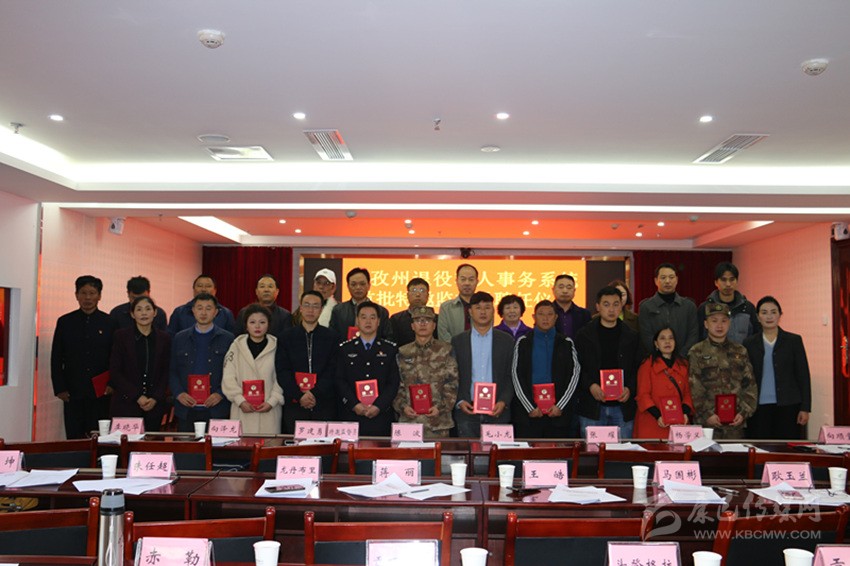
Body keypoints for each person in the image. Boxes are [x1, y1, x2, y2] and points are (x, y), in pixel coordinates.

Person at [51, 275, 117, 438]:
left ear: (99, 296)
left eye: (92, 293)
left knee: (99, 437)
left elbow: (115, 358)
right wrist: (60, 388)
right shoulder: (65, 322)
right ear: (76, 295)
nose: (88, 298)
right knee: (74, 435)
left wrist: (112, 384)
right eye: (83, 293)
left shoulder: (110, 322)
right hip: (73, 391)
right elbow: (56, 357)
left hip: (101, 392)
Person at [575, 286, 643, 438]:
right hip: (592, 406)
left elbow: (638, 367)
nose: (611, 309)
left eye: (615, 304)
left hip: (622, 407)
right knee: (592, 450)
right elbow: (576, 367)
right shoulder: (584, 335)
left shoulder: (632, 336)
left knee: (622, 451)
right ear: (598, 307)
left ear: (622, 306)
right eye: (606, 304)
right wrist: (590, 385)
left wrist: (630, 388)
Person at [744, 296, 811, 439]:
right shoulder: (749, 343)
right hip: (757, 407)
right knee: (760, 447)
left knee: (786, 447)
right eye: (764, 312)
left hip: (788, 406)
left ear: (780, 315)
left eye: (773, 312)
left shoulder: (793, 341)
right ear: (758, 317)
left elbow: (803, 375)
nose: (769, 316)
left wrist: (805, 408)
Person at [510, 300, 581, 438]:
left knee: (558, 451)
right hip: (529, 415)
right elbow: (516, 375)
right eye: (541, 314)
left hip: (558, 415)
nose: (545, 318)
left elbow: (574, 375)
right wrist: (529, 407)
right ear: (534, 317)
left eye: (549, 314)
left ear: (556, 317)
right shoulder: (523, 341)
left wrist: (560, 406)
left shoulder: (566, 343)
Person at [688, 303, 758, 440]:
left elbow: (750, 385)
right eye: (714, 321)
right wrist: (707, 414)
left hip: (735, 424)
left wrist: (743, 413)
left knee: (734, 454)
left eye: (724, 321)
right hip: (707, 424)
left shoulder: (740, 351)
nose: (719, 325)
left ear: (729, 323)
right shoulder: (697, 351)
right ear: (706, 324)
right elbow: (694, 387)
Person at [451, 291, 515, 437]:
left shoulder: (506, 340)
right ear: (470, 312)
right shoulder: (458, 341)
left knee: (496, 451)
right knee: (468, 451)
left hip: (497, 410)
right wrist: (460, 400)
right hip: (467, 409)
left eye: (487, 307)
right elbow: (452, 376)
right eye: (478, 308)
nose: (483, 312)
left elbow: (511, 375)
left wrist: (503, 401)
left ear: (493, 311)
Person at [170, 293, 235, 432]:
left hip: (217, 408)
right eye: (199, 308)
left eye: (208, 308)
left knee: (215, 445)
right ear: (193, 310)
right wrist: (179, 393)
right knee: (186, 445)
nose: (203, 313)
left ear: (216, 312)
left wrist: (220, 394)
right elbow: (172, 370)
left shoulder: (228, 339)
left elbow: (233, 373)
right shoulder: (180, 338)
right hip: (186, 408)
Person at [277, 291, 340, 433]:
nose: (311, 310)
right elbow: (282, 370)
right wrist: (300, 396)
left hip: (323, 403)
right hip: (295, 404)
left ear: (321, 309)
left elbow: (333, 369)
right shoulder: (286, 337)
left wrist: (314, 393)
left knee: (323, 444)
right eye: (307, 305)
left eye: (315, 306)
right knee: (295, 445)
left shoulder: (332, 337)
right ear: (300, 308)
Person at [335, 301, 400, 436]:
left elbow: (393, 382)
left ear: (378, 322)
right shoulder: (345, 349)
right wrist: (354, 404)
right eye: (363, 317)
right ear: (357, 321)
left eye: (372, 317)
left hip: (381, 416)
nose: (368, 321)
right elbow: (340, 380)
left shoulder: (390, 349)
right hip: (352, 415)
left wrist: (379, 406)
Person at [393, 306, 459, 438]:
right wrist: (402, 406)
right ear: (412, 326)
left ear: (434, 325)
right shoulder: (403, 352)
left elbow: (452, 383)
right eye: (418, 320)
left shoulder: (445, 350)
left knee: (438, 452)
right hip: (409, 420)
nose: (423, 324)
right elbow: (396, 383)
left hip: (438, 422)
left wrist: (441, 407)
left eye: (427, 320)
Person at [108, 296, 171, 432]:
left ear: (155, 312)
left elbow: (166, 371)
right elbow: (115, 371)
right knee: (126, 443)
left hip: (154, 404)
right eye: (139, 309)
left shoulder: (164, 338)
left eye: (148, 309)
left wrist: (155, 397)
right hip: (126, 403)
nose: (143, 313)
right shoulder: (121, 336)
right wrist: (137, 396)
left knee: (151, 442)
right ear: (132, 314)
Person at [222, 304, 284, 434]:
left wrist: (272, 401)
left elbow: (282, 376)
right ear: (246, 325)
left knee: (269, 445)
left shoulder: (278, 346)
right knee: (243, 444)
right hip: (242, 409)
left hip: (269, 409)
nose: (257, 326)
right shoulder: (236, 346)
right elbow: (228, 377)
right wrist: (240, 400)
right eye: (252, 322)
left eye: (262, 322)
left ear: (268, 324)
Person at [634, 327, 694, 439]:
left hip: (678, 423)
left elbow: (688, 393)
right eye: (662, 338)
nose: (667, 342)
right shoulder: (647, 364)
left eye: (671, 338)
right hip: (652, 422)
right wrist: (658, 415)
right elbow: (643, 395)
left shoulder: (683, 365)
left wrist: (684, 412)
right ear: (656, 344)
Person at [638, 263, 699, 357]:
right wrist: (662, 357)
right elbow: (646, 337)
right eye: (663, 277)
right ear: (656, 281)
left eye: (671, 277)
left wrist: (680, 357)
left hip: (684, 361)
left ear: (677, 280)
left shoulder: (689, 306)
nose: (667, 281)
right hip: (655, 361)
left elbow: (693, 335)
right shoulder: (646, 307)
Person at [697, 262, 759, 344]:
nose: (728, 284)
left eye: (732, 279)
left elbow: (756, 336)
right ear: (716, 282)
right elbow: (698, 337)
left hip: (742, 352)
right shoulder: (705, 307)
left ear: (737, 281)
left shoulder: (748, 307)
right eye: (723, 280)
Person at [330, 267, 393, 341]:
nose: (358, 287)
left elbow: (388, 338)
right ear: (348, 287)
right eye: (353, 284)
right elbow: (332, 337)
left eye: (362, 284)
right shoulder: (338, 310)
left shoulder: (381, 311)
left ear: (369, 285)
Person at [168, 274, 236, 335]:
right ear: (193, 290)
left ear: (215, 290)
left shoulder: (226, 314)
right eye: (200, 286)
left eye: (208, 286)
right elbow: (171, 338)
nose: (203, 289)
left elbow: (231, 340)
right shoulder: (179, 312)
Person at [236, 274, 292, 339]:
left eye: (270, 286)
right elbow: (238, 338)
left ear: (277, 291)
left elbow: (287, 340)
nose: (266, 290)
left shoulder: (285, 316)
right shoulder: (244, 313)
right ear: (256, 291)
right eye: (262, 286)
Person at [390, 277, 436, 348]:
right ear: (407, 295)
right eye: (414, 290)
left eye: (422, 290)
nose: (418, 294)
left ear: (428, 295)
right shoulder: (396, 319)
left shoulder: (436, 318)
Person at [438, 264, 479, 342]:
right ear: (456, 281)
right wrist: (458, 348)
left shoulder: (485, 308)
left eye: (471, 279)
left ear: (477, 282)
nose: (467, 283)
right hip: (452, 349)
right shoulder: (446, 308)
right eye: (463, 279)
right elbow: (443, 335)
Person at [552, 274, 592, 339]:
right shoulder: (544, 313)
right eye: (561, 287)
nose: (565, 291)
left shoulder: (585, 314)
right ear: (553, 289)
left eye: (569, 287)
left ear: (574, 291)